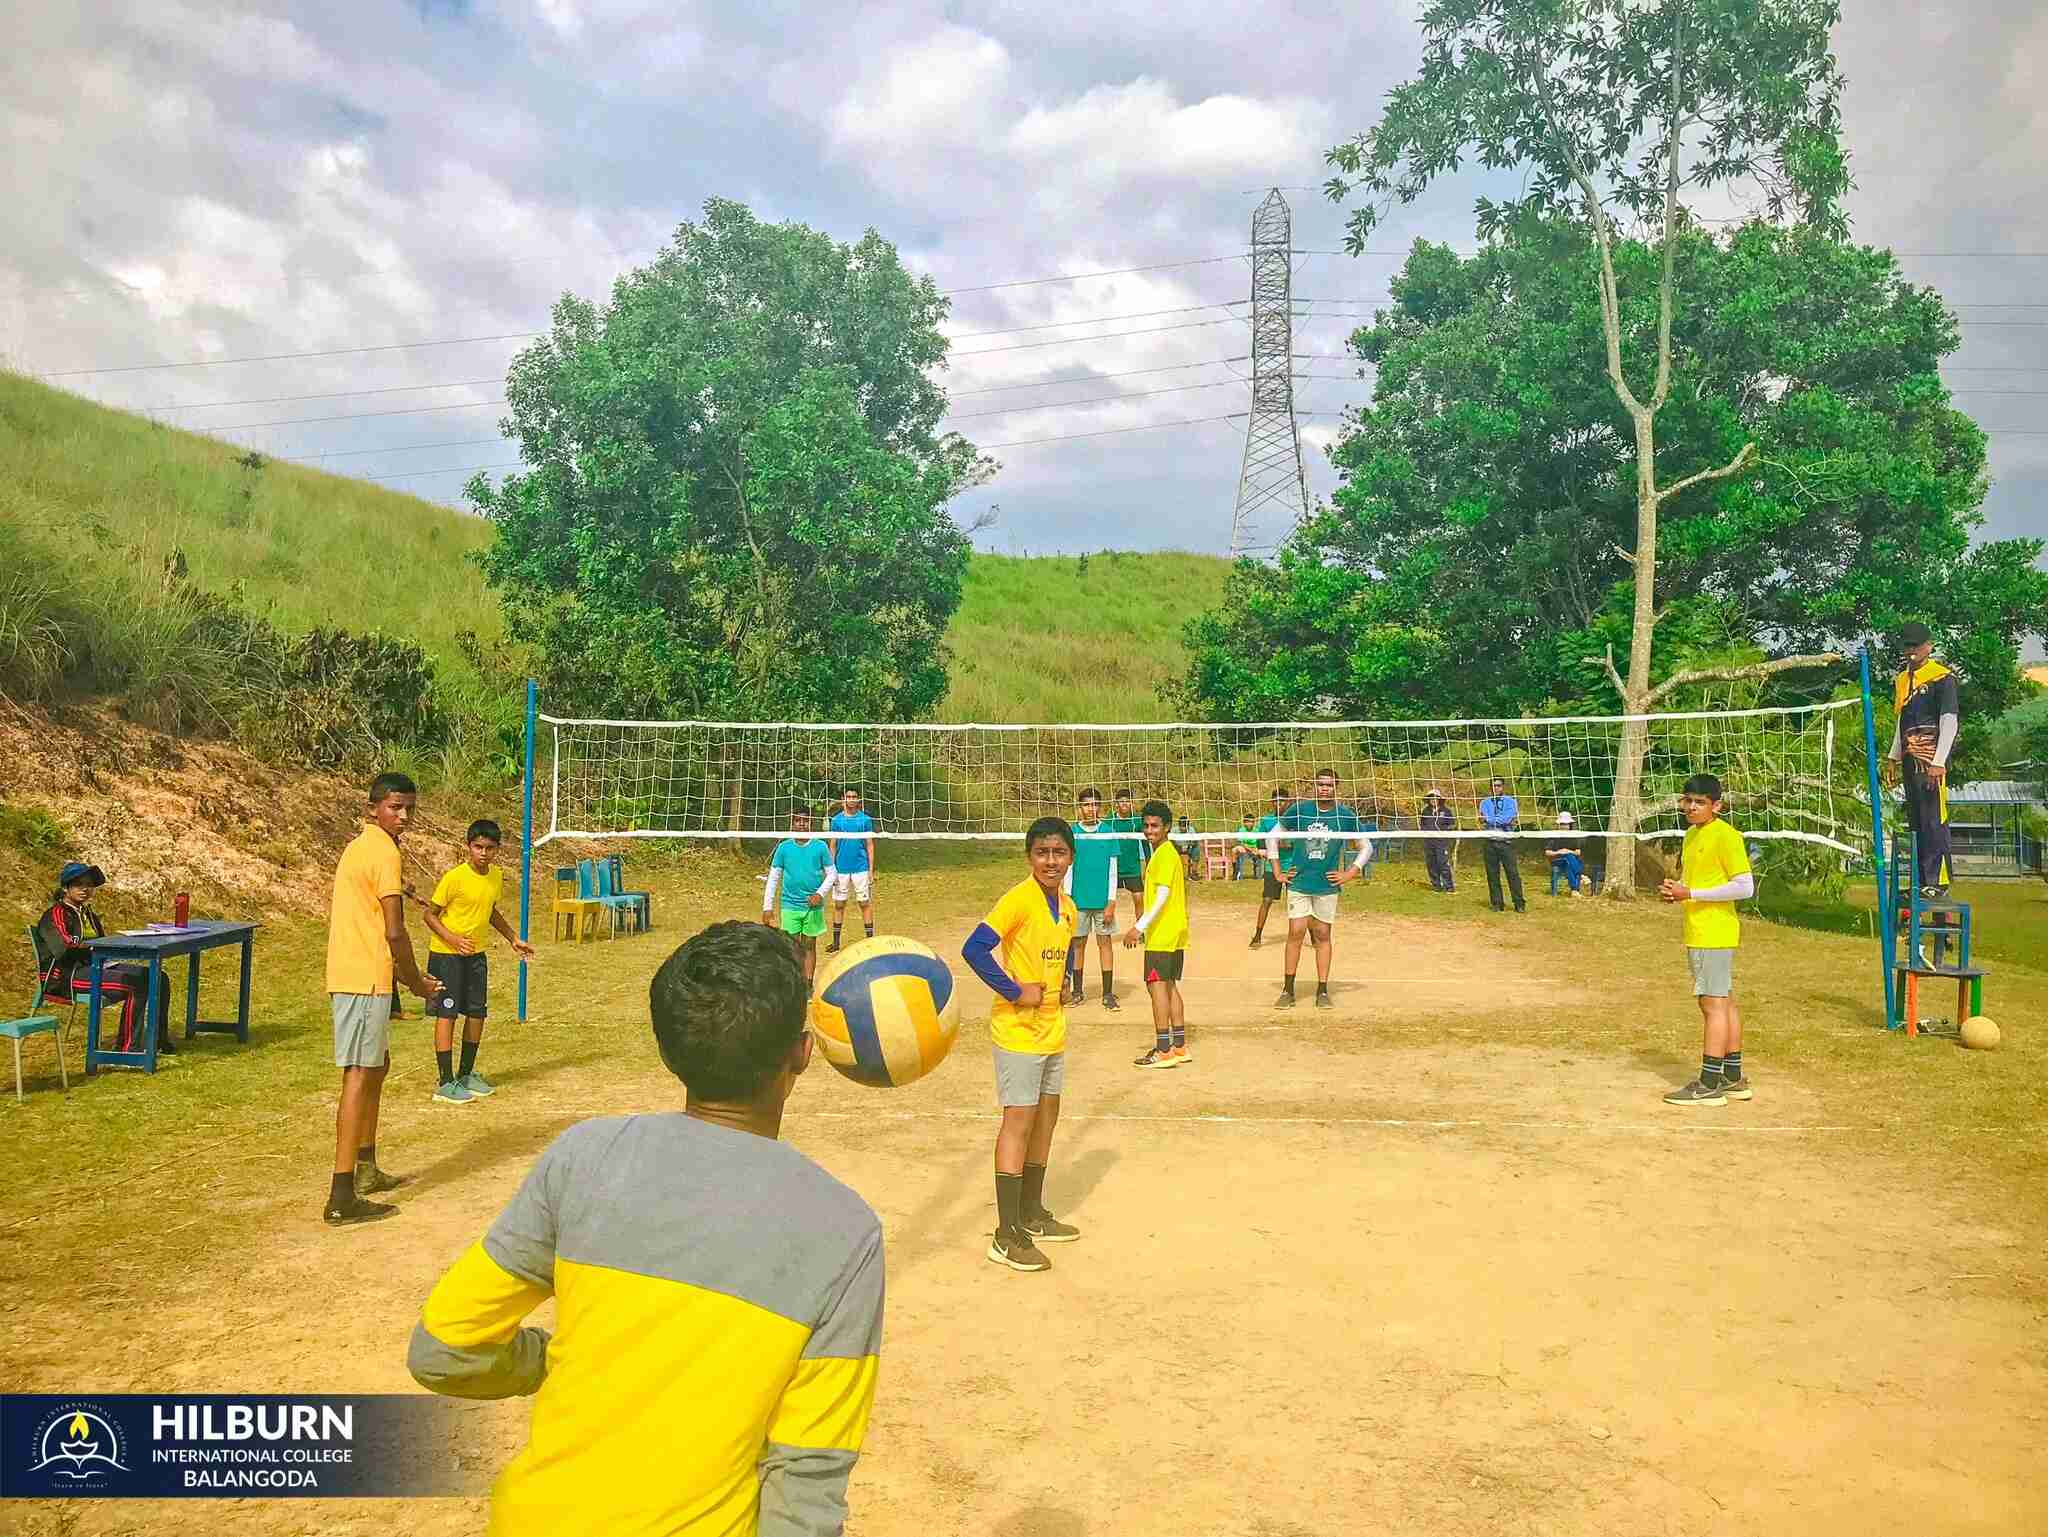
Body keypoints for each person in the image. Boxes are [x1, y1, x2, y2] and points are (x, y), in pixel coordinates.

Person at [408, 921, 883, 1536]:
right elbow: (807, 1478)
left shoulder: (582, 1159)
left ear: (668, 1049)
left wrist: (550, 1360)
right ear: (802, 1051)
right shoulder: (845, 1231)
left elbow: (444, 1351)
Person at [961, 817, 1081, 1272]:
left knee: (1047, 1119)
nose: (1051, 861)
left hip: (1053, 1027)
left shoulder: (1066, 907)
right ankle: (1005, 1234)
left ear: (1071, 856)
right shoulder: (1019, 899)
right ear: (1029, 857)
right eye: (1042, 853)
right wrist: (1014, 990)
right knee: (1019, 1122)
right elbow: (975, 949)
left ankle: (1032, 1213)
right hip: (1017, 1031)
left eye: (1059, 853)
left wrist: (1065, 981)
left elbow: (1061, 951)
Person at [324, 771, 440, 1228]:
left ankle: (366, 1168)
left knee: (379, 1063)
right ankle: (340, 1194)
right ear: (373, 808)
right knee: (358, 1073)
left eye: (409, 807)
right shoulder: (382, 852)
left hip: (365, 975)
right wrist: (417, 982)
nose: (404, 816)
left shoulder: (364, 847)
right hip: (363, 976)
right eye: (395, 807)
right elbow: (395, 930)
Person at [419, 819, 537, 1105]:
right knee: (447, 1014)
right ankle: (445, 1082)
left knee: (476, 1013)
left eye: (490, 848)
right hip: (447, 956)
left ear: (497, 850)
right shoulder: (454, 878)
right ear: (468, 847)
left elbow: (491, 910)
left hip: (476, 956)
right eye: (478, 847)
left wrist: (512, 938)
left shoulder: (495, 876)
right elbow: (429, 915)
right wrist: (453, 939)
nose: (483, 853)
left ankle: (466, 1074)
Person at [1658, 773, 1756, 1106]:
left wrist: (1693, 893)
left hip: (1713, 931)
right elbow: (1692, 881)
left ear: (1717, 806)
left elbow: (1745, 886)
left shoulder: (1726, 836)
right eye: (1688, 800)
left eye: (1700, 802)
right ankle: (1733, 1077)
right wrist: (1678, 892)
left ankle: (1709, 1083)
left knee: (1712, 1005)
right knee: (1724, 1001)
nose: (1691, 807)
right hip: (1700, 928)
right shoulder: (1691, 835)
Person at [34, 862, 163, 1056]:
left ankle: (158, 1042)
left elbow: (103, 942)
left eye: (89, 884)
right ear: (65, 888)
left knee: (158, 977)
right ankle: (127, 1050)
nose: (85, 889)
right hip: (66, 974)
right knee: (136, 984)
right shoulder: (55, 914)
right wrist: (96, 947)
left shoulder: (89, 915)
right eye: (78, 884)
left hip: (97, 966)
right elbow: (63, 947)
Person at [1266, 769, 1370, 1010]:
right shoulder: (1300, 810)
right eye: (1321, 785)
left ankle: (1322, 991)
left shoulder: (1345, 816)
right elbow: (1272, 837)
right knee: (1296, 931)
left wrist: (1350, 873)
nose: (1325, 788)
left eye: (1329, 785)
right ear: (1314, 786)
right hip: (1299, 882)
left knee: (1322, 934)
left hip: (1327, 885)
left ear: (1336, 788)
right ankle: (1288, 990)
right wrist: (1278, 871)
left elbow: (1366, 847)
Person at [1886, 622, 1960, 897]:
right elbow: (1900, 721)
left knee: (1933, 820)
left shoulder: (1942, 678)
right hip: (1909, 760)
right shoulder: (1902, 680)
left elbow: (1949, 720)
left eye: (1916, 645)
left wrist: (1939, 761)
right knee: (1916, 821)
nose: (1911, 651)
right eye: (1907, 646)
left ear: (1929, 646)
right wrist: (1893, 758)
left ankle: (1937, 882)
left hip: (1931, 761)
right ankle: (1920, 881)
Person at [1125, 799, 1192, 1068]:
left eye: (1155, 825)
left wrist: (1139, 926)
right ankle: (1179, 1046)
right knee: (1170, 986)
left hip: (1163, 933)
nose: (1150, 830)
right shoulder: (1165, 852)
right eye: (1146, 825)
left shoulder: (1164, 854)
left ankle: (1163, 1050)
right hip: (1174, 931)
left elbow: (1162, 895)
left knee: (1157, 989)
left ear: (1166, 828)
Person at [1061, 788, 1121, 1012]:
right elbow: (1068, 867)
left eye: (1095, 804)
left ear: (1100, 807)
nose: (1091, 809)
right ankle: (1077, 991)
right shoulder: (1073, 833)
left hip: (1102, 901)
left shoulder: (1108, 832)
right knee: (1078, 945)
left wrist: (1111, 900)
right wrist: (1067, 897)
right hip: (1078, 901)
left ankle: (1107, 994)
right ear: (1080, 807)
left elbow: (1113, 870)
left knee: (1105, 944)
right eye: (1086, 805)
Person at [762, 809, 836, 990]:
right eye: (798, 820)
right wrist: (767, 907)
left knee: (809, 944)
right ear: (792, 823)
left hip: (813, 906)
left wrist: (819, 894)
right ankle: (795, 984)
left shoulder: (820, 846)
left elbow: (832, 873)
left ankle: (808, 984)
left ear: (810, 823)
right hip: (789, 905)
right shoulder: (784, 848)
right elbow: (773, 878)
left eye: (805, 820)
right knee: (791, 946)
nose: (801, 824)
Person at [824, 788, 877, 955]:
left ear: (858, 799)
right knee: (839, 904)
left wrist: (870, 870)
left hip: (860, 868)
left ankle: (870, 941)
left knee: (864, 903)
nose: (852, 799)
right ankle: (836, 942)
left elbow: (869, 845)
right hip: (841, 869)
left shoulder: (865, 820)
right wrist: (831, 870)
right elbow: (832, 845)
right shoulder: (837, 820)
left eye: (854, 796)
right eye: (849, 797)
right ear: (843, 799)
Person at [1248, 787, 1291, 947]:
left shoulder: (1296, 820)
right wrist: (1270, 848)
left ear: (1288, 802)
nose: (1279, 804)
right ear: (1272, 803)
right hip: (1272, 867)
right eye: (1276, 801)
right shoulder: (1267, 821)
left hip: (1292, 867)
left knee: (1298, 902)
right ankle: (1258, 935)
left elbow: (1299, 843)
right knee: (1266, 900)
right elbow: (1260, 845)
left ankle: (1313, 938)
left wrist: (1285, 844)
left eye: (1283, 801)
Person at [1477, 776, 1527, 913]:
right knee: (1492, 875)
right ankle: (1497, 903)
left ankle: (1519, 903)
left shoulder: (1511, 802)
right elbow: (1482, 819)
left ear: (1503, 787)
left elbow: (1507, 819)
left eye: (1498, 785)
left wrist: (1490, 820)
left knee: (1513, 874)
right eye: (1493, 786)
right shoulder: (1484, 802)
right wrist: (1493, 820)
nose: (1496, 788)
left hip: (1506, 842)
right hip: (1490, 841)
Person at [1107, 789, 1147, 924]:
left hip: (1132, 868)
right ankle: (1106, 929)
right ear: (1116, 803)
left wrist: (1149, 862)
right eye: (1121, 801)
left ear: (1131, 803)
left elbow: (1145, 843)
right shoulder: (1109, 821)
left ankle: (1141, 929)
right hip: (1113, 869)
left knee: (1139, 898)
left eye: (1127, 801)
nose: (1124, 804)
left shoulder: (1137, 821)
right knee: (1107, 901)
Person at [1420, 789, 1456, 893]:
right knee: (1431, 863)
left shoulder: (1446, 811)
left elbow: (1452, 824)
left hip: (1441, 841)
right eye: (1431, 798)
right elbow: (1422, 824)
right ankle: (1436, 885)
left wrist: (1445, 831)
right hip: (1429, 841)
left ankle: (1449, 886)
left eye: (1435, 797)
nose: (1433, 800)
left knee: (1443, 863)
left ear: (1439, 799)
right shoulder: (1425, 811)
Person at [1545, 812, 1587, 897]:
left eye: (1566, 824)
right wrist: (1559, 852)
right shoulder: (1553, 836)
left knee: (1570, 861)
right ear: (1559, 825)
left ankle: (1574, 891)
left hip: (1569, 861)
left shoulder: (1573, 836)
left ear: (1569, 825)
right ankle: (1581, 875)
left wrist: (1568, 851)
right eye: (1562, 824)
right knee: (1569, 858)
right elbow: (1547, 852)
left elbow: (1578, 852)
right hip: (1557, 860)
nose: (1564, 826)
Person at [1232, 813, 1260, 881]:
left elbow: (1259, 842)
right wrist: (1250, 849)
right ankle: (1236, 871)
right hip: (1245, 848)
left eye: (1252, 822)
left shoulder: (1257, 830)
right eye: (1248, 822)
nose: (1250, 823)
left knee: (1261, 852)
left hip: (1255, 848)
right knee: (1235, 850)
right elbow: (1241, 843)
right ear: (1244, 823)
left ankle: (1258, 874)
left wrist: (1256, 849)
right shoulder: (1241, 830)